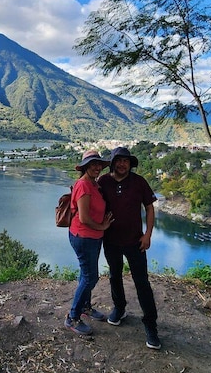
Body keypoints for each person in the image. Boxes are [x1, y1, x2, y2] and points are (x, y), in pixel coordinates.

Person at [98, 146, 161, 349]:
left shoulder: (139, 182)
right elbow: (90, 198)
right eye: (119, 160)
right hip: (111, 241)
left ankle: (150, 324)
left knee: (142, 282)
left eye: (126, 161)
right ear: (113, 162)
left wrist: (148, 234)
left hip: (136, 242)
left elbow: (149, 207)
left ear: (130, 163)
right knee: (114, 276)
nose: (122, 164)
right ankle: (119, 308)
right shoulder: (104, 181)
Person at [64, 149, 114, 336]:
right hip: (84, 236)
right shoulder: (84, 185)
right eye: (92, 164)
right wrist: (102, 227)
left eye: (98, 164)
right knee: (90, 277)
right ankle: (72, 317)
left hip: (92, 238)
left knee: (85, 274)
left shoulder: (94, 184)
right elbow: (84, 218)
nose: (96, 167)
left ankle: (85, 306)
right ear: (84, 167)